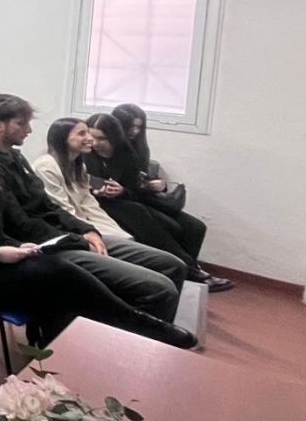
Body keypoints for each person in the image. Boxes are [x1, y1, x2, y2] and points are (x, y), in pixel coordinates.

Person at [0, 127, 195, 349]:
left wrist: (15, 246)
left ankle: (73, 358)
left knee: (61, 292)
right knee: (62, 273)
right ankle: (139, 324)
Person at [0, 98, 186, 322]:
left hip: (63, 234)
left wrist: (87, 229)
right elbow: (20, 223)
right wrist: (77, 239)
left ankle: (146, 335)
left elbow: (49, 206)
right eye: (22, 123)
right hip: (42, 245)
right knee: (160, 288)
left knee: (173, 266)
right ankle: (129, 341)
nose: (29, 130)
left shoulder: (15, 157)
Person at [84, 113, 231, 291]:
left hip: (128, 198)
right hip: (99, 202)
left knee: (195, 226)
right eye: (93, 137)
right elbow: (79, 184)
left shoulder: (126, 154)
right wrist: (98, 190)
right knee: (139, 213)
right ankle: (190, 271)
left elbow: (135, 188)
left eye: (102, 138)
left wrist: (123, 190)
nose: (96, 143)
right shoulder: (85, 153)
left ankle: (184, 274)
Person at [111, 103, 181, 196]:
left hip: (134, 196)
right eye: (131, 126)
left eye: (139, 127)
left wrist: (158, 185)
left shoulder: (139, 147)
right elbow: (123, 183)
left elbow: (140, 177)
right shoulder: (111, 149)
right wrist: (144, 186)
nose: (135, 131)